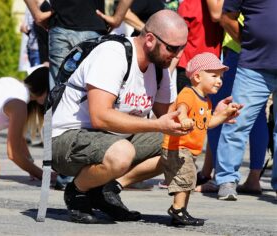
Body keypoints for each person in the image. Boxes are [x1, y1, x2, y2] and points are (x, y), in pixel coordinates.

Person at [51, 10, 188, 224]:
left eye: (182, 48)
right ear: (150, 39)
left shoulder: (160, 68)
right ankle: (77, 192)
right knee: (122, 153)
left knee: (179, 145)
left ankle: (107, 189)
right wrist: (156, 124)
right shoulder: (113, 54)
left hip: (113, 139)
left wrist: (205, 116)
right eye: (172, 48)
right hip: (68, 138)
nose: (177, 55)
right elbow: (100, 117)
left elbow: (168, 117)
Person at [24, 0, 134, 190]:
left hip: (61, 25)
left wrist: (37, 13)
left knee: (59, 99)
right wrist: (118, 17)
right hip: (92, 24)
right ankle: (91, 171)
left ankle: (61, 170)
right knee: (95, 97)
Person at [195, 3, 268, 195]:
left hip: (241, 49)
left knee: (225, 111)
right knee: (254, 115)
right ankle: (250, 178)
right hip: (252, 50)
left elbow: (217, 13)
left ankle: (224, 178)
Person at [161, 52, 242, 226]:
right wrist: (183, 118)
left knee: (189, 179)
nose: (219, 80)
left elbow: (209, 123)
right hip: (179, 146)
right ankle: (177, 209)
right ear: (197, 76)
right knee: (185, 179)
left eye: (221, 76)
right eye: (214, 76)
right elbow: (182, 106)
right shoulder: (189, 93)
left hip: (189, 149)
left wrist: (224, 114)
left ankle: (181, 210)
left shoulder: (207, 101)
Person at [216, 0, 277, 201]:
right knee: (236, 120)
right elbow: (226, 17)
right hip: (254, 66)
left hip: (254, 61)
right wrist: (250, 44)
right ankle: (227, 180)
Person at [0, 66, 50, 180]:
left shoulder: (15, 85)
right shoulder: (19, 103)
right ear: (45, 90)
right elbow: (13, 153)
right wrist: (44, 175)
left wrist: (30, 164)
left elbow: (18, 138)